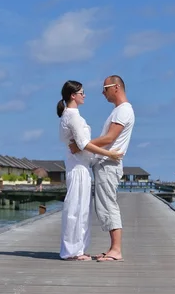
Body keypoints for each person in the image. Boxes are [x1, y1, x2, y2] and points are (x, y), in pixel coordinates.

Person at [70, 75, 135, 262]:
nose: (102, 92)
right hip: (105, 163)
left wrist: (82, 144)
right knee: (104, 205)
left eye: (105, 88)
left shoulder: (123, 110)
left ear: (116, 87)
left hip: (109, 164)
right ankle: (113, 248)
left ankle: (116, 250)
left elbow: (109, 138)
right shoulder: (118, 110)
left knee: (108, 205)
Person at [57, 80, 123, 261]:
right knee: (76, 209)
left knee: (81, 209)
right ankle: (72, 251)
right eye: (81, 93)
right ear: (73, 95)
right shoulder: (73, 116)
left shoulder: (70, 115)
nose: (84, 96)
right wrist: (109, 154)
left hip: (79, 165)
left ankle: (78, 249)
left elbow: (80, 145)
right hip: (78, 167)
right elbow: (83, 144)